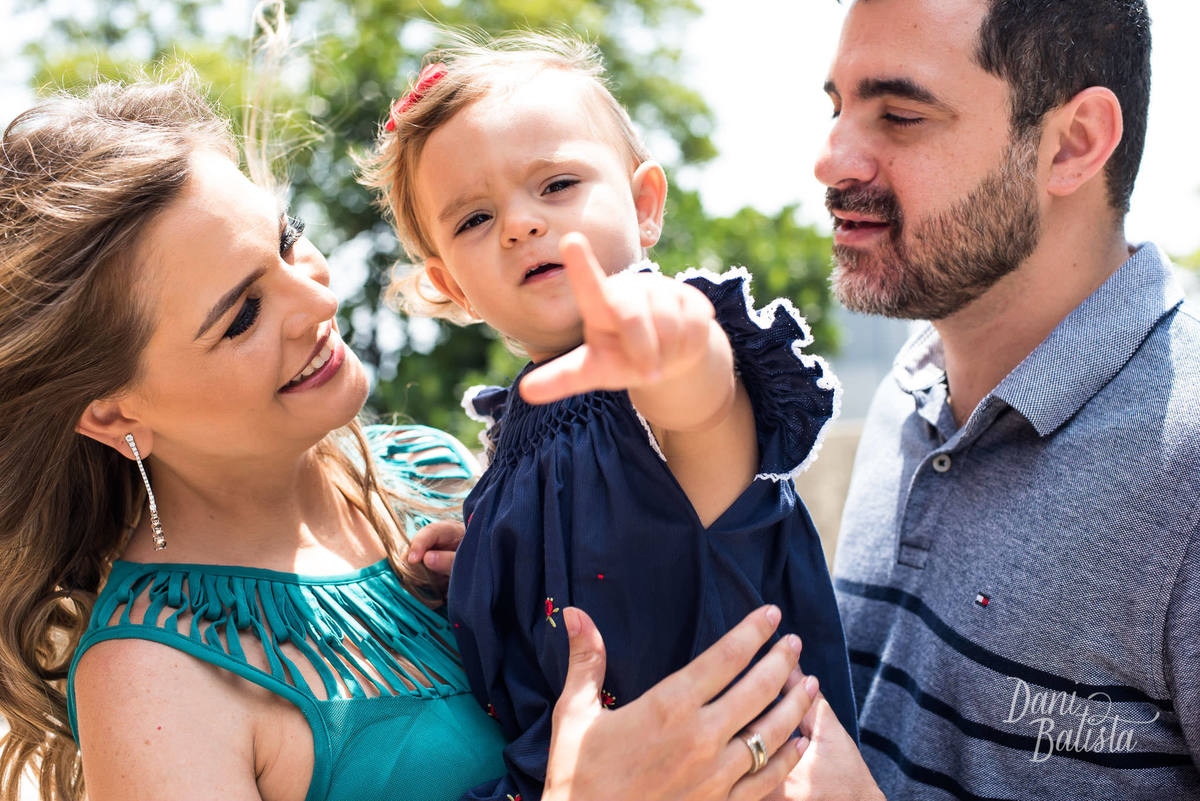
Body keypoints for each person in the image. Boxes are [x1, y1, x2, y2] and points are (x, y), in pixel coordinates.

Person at [0, 74, 821, 801]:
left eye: (287, 242)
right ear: (113, 414)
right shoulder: (147, 680)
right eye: (243, 315)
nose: (318, 303)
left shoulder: (432, 472)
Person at [359, 34, 856, 801]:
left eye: (556, 183)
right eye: (474, 219)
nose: (522, 223)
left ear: (645, 203)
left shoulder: (657, 371)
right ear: (451, 288)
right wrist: (498, 559)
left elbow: (704, 418)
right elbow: (605, 553)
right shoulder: (523, 433)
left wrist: (682, 349)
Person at [785, 0, 1200, 798]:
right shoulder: (914, 388)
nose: (831, 159)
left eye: (899, 114)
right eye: (838, 108)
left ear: (1073, 144)